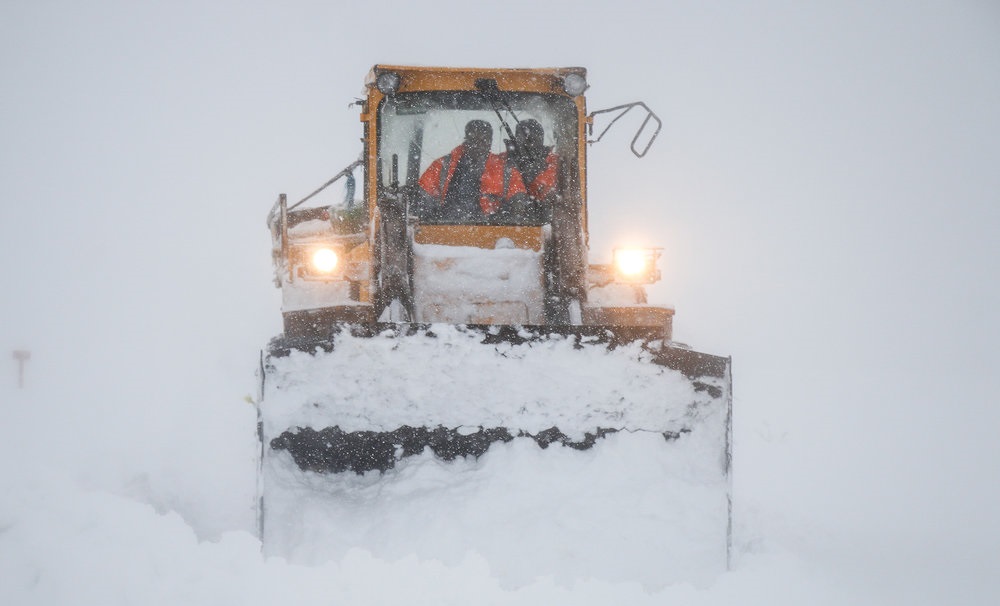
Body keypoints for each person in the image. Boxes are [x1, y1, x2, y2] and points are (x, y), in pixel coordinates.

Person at [418, 120, 527, 222]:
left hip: (492, 234)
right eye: (473, 140)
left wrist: (505, 218)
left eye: (483, 140)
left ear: (490, 142)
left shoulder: (507, 171)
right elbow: (422, 197)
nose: (477, 145)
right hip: (443, 233)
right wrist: (431, 219)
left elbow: (518, 202)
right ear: (465, 140)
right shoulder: (442, 166)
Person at [501, 119, 558, 201]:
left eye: (533, 139)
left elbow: (559, 198)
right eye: (525, 140)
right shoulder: (499, 161)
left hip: (547, 211)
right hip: (506, 212)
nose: (530, 144)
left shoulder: (555, 163)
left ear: (542, 139)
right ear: (516, 140)